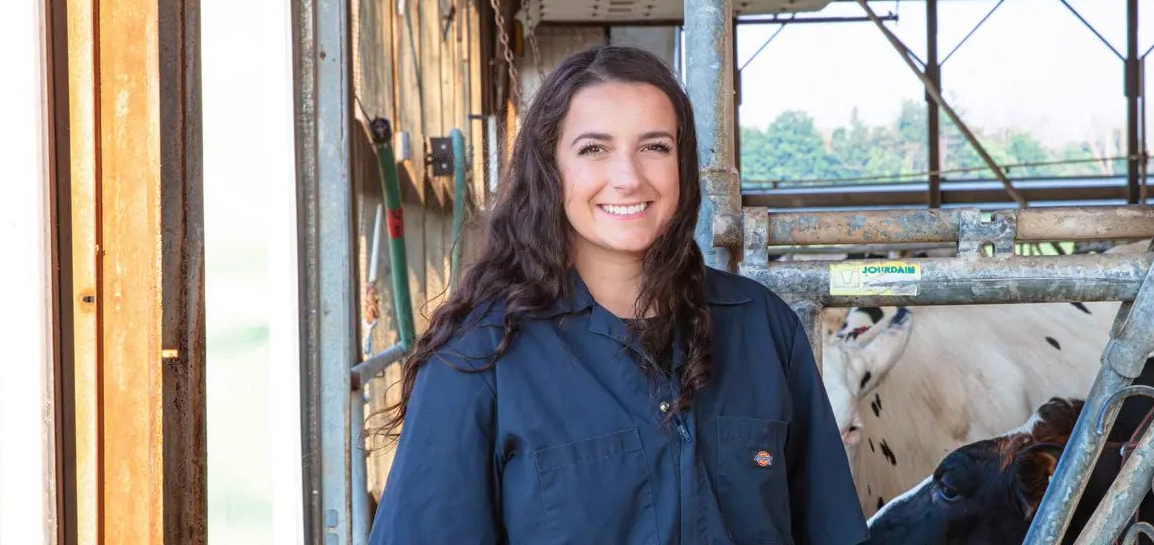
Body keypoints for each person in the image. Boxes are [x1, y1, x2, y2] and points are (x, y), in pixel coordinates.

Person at [368, 45, 868, 544]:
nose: (628, 178)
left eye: (654, 147)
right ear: (549, 169)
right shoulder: (480, 358)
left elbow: (831, 528)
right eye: (594, 149)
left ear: (683, 165)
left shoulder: (761, 326)